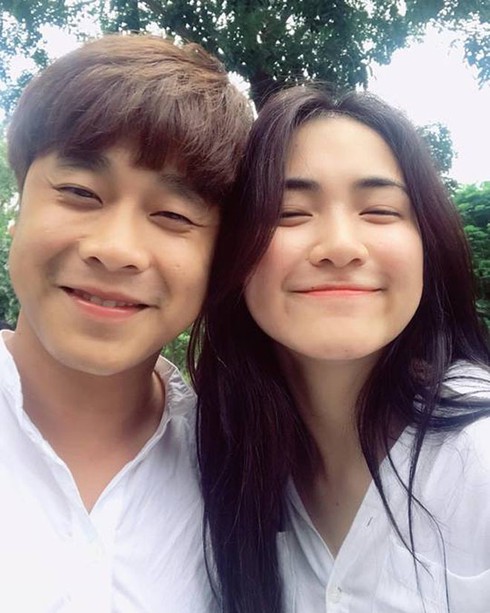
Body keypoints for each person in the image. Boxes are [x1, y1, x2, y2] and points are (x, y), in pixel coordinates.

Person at [191, 84, 490, 613]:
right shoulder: (220, 455)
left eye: (379, 211)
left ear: (429, 244)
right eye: (289, 213)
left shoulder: (477, 454)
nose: (340, 248)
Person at [2, 34, 252, 611]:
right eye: (79, 192)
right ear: (19, 208)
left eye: (173, 214)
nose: (116, 250)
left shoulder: (242, 473)